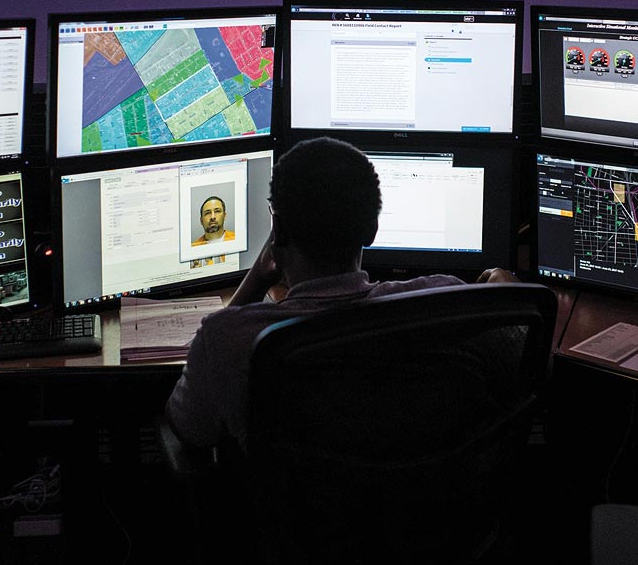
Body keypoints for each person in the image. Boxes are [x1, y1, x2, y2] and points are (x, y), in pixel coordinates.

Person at [167, 136, 518, 450]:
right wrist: (507, 298)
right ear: (372, 229)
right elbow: (533, 367)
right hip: (432, 517)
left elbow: (190, 429)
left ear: (279, 232)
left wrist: (256, 281)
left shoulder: (230, 339)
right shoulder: (451, 304)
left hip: (295, 522)